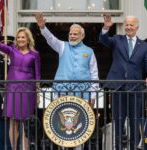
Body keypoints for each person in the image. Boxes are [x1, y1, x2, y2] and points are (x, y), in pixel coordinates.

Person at [35, 12, 99, 150]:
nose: (72, 36)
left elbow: (94, 74)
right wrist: (42, 27)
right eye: (70, 33)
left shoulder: (89, 51)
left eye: (75, 34)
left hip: (82, 94)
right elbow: (51, 39)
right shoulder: (62, 46)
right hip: (62, 92)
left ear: (82, 36)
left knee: (80, 124)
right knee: (61, 125)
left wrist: (93, 95)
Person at [99, 14, 147, 150]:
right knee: (118, 120)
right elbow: (103, 40)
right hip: (118, 87)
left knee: (135, 119)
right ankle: (119, 147)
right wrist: (106, 28)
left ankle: (133, 147)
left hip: (136, 87)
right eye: (126, 24)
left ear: (137, 27)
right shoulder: (117, 40)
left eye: (131, 25)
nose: (128, 27)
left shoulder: (143, 46)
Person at [0, 26, 41, 150]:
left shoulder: (35, 54)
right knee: (13, 122)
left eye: (23, 37)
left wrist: (37, 93)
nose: (20, 39)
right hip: (12, 89)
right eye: (19, 37)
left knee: (25, 123)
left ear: (28, 39)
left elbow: (38, 75)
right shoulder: (12, 50)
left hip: (28, 90)